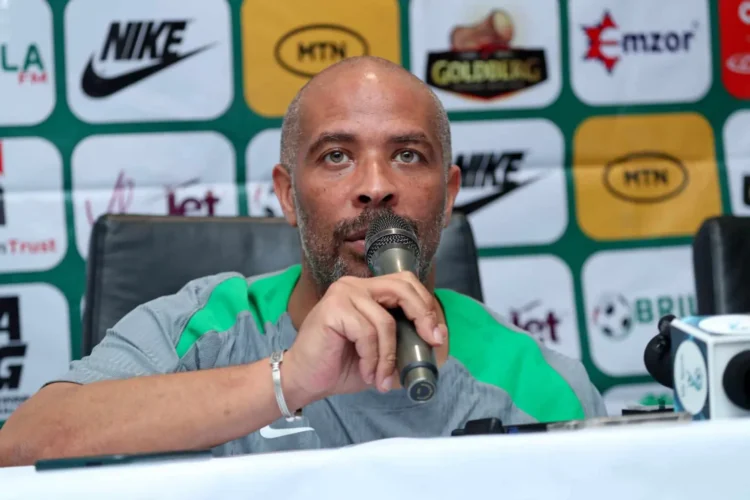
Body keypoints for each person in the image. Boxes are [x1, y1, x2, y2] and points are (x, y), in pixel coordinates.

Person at [0, 56, 606, 467]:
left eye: (407, 156)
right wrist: (287, 380)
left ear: (448, 196)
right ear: (288, 195)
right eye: (337, 156)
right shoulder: (205, 328)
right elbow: (20, 445)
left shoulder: (535, 381)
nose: (375, 187)